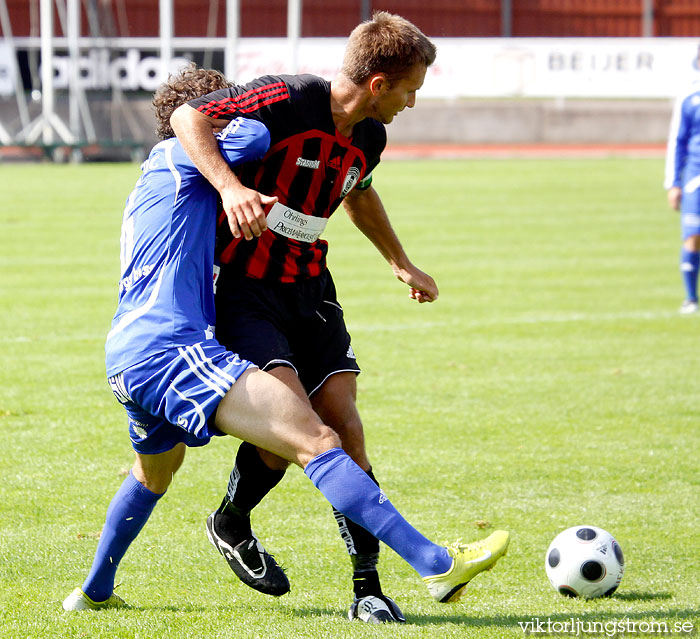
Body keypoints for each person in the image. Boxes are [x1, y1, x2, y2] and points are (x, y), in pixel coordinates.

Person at [62, 64, 511, 614]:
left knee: (154, 472)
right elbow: (240, 130)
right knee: (317, 442)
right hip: (172, 351)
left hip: (127, 352)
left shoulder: (152, 175)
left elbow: (341, 179)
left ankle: (91, 591)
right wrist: (244, 124)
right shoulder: (191, 154)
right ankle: (437, 564)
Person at [170, 11, 447, 622]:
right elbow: (189, 117)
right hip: (244, 291)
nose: (412, 102)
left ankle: (367, 589)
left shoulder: (369, 135)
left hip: (311, 290)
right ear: (378, 84)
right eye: (410, 90)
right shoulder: (289, 97)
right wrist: (230, 189)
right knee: (291, 435)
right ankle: (232, 520)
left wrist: (400, 261)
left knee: (345, 428)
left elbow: (359, 190)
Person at [665, 43, 700, 314]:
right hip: (695, 177)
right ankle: (690, 298)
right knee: (693, 235)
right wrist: (673, 183)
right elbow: (677, 140)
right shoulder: (689, 95)